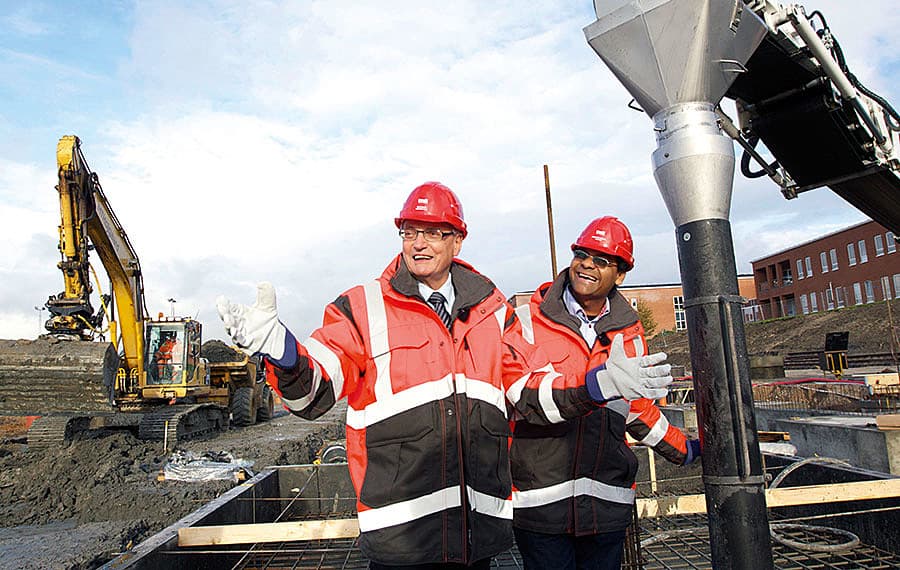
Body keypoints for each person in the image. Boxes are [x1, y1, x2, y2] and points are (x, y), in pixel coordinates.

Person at [215, 183, 673, 570]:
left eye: (434, 233)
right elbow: (316, 392)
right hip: (402, 537)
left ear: (458, 241)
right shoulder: (363, 307)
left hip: (476, 534)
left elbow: (525, 392)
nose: (419, 244)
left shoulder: (491, 311)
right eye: (410, 232)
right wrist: (282, 350)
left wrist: (599, 384)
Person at [510, 216, 701, 570]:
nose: (587, 264)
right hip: (542, 503)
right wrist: (594, 387)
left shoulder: (630, 333)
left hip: (605, 503)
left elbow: (637, 410)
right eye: (581, 254)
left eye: (601, 260)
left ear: (621, 274)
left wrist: (683, 449)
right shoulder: (526, 321)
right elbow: (524, 397)